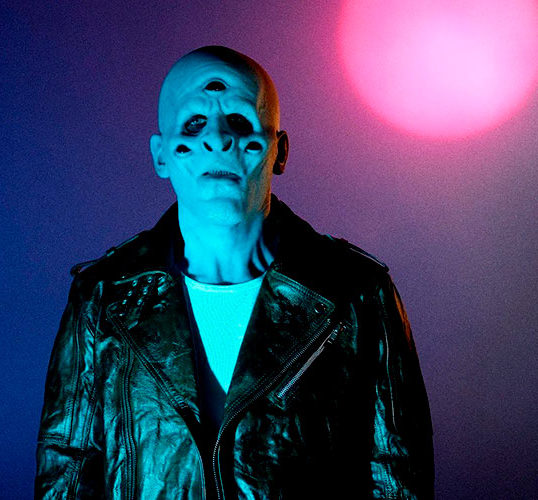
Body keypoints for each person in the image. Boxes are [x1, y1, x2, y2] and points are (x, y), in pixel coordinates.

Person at [35, 45, 434, 500]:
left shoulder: (358, 293)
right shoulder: (103, 297)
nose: (218, 139)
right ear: (161, 155)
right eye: (194, 123)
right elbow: (65, 470)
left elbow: (397, 473)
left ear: (279, 151)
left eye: (240, 122)